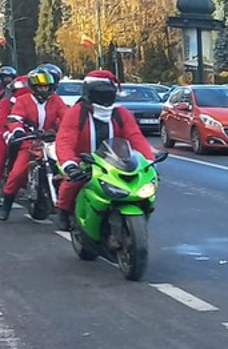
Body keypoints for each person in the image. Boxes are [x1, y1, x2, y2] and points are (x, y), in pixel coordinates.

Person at [53, 70, 153, 231]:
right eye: (99, 93)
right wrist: (70, 164)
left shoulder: (121, 113)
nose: (104, 99)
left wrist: (148, 161)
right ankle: (63, 211)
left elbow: (136, 137)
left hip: (116, 162)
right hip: (84, 161)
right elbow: (65, 140)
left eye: (107, 93)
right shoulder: (76, 113)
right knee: (71, 183)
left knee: (139, 185)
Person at [0, 68, 66, 221]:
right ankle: (6, 205)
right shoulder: (24, 100)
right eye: (41, 87)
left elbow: (66, 118)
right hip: (30, 142)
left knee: (65, 168)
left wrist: (65, 131)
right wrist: (18, 131)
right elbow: (15, 118)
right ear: (34, 88)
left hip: (50, 142)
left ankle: (66, 205)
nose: (44, 89)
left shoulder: (56, 100)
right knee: (16, 174)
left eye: (47, 86)